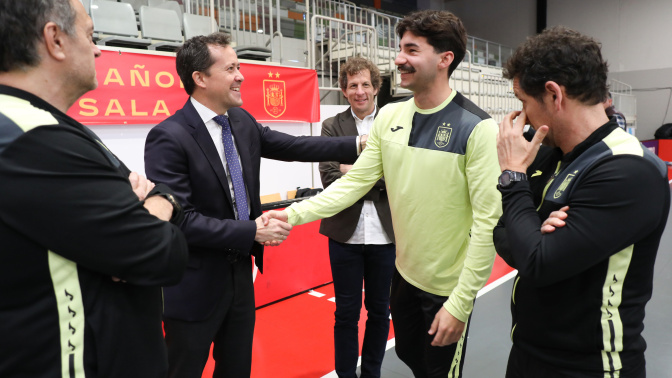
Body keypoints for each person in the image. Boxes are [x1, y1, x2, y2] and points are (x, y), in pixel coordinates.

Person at [263, 10, 502, 377]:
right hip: (403, 279)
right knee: (411, 360)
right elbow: (352, 184)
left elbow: (488, 223)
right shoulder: (390, 117)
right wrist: (292, 215)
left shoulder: (478, 128)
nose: (398, 58)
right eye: (398, 47)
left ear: (444, 59)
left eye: (411, 49)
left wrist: (461, 302)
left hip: (445, 291)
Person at [144, 32, 363, 377]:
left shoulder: (241, 122)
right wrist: (252, 231)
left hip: (240, 279)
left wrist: (360, 143)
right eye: (230, 68)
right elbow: (181, 221)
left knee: (236, 370)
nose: (241, 75)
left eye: (239, 66)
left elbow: (295, 147)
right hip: (193, 286)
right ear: (200, 78)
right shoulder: (168, 137)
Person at [0, 1, 189, 377]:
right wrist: (160, 204)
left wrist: (153, 203)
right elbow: (160, 252)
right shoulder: (35, 140)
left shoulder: (44, 127)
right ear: (55, 39)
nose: (99, 49)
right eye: (90, 35)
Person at [493, 26, 670, 378]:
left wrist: (513, 177)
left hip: (590, 366)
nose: (523, 118)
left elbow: (536, 262)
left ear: (554, 95)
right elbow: (503, 233)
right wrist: (534, 237)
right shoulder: (551, 154)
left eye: (524, 104)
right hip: (527, 352)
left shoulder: (628, 170)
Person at [319, 57, 395, 378]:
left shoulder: (393, 124)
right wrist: (373, 173)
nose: (360, 91)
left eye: (365, 84)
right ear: (343, 90)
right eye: (353, 85)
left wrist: (351, 171)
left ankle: (372, 373)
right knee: (346, 314)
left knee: (380, 312)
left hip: (386, 236)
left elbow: (397, 176)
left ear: (376, 88)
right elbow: (328, 175)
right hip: (343, 236)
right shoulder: (332, 126)